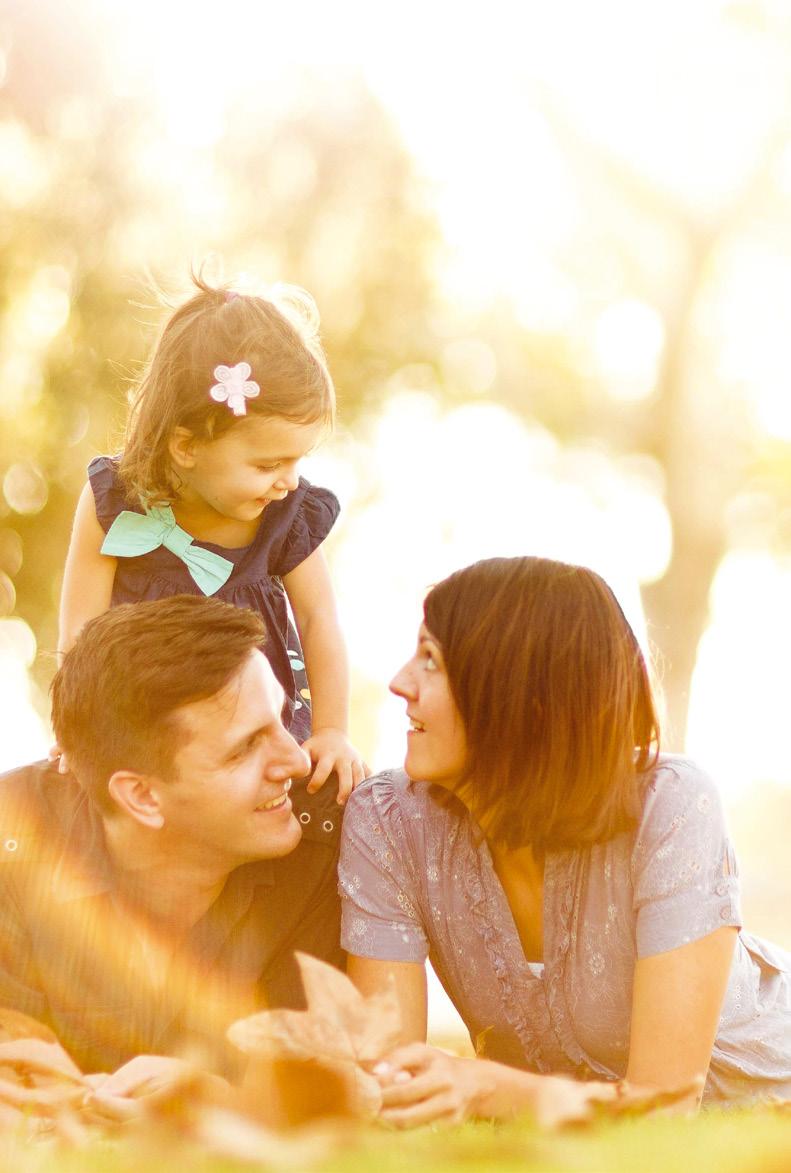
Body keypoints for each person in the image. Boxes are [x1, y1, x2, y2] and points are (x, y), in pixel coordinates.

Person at [340, 557, 791, 1125]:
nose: (400, 682)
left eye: (430, 660)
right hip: (570, 1138)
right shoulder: (387, 820)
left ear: (521, 696)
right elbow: (391, 1087)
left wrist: (482, 1088)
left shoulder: (669, 805)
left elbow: (664, 1110)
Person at [0, 595, 344, 1111]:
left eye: (284, 717)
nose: (295, 760)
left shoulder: (325, 847)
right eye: (246, 747)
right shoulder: (15, 841)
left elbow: (331, 1079)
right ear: (141, 796)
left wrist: (226, 1101)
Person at [59, 276, 365, 801]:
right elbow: (81, 629)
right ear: (186, 446)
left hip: (261, 738)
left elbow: (319, 621)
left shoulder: (285, 512)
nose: (289, 480)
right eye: (269, 463)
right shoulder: (115, 500)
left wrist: (332, 730)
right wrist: (77, 734)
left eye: (298, 460)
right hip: (149, 732)